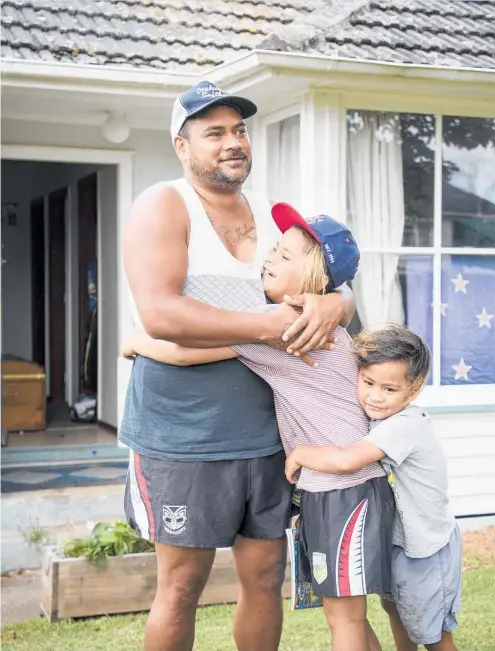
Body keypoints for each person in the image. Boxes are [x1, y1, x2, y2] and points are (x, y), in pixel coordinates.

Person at [120, 81, 355, 651]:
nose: (233, 143)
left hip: (270, 432)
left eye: (240, 131)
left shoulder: (277, 219)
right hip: (184, 434)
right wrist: (269, 327)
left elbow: (332, 284)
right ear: (182, 145)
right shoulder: (163, 204)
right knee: (180, 587)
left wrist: (335, 303)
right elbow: (161, 313)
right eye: (215, 132)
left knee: (266, 579)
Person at [123, 204, 394, 651]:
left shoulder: (291, 328)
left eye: (285, 257)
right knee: (349, 612)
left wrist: (135, 341)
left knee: (344, 616)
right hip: (348, 485)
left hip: (339, 487)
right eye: (274, 248)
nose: (270, 258)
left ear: (311, 280)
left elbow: (187, 351)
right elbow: (340, 299)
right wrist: (336, 300)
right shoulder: (316, 320)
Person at [285, 326, 462, 651]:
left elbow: (349, 459)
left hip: (426, 548)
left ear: (413, 389)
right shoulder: (378, 418)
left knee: (433, 635)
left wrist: (300, 453)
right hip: (397, 542)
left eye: (389, 389)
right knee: (396, 611)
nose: (375, 396)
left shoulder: (405, 425)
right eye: (368, 383)